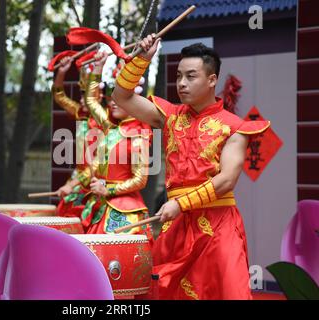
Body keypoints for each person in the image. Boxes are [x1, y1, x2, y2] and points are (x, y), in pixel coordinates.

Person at [112, 35, 270, 300]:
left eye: (191, 76)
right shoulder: (170, 116)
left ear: (212, 80)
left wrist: (181, 204)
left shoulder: (234, 127)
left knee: (228, 292)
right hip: (176, 226)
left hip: (219, 227)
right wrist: (143, 59)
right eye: (178, 76)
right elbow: (121, 96)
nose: (182, 83)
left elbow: (226, 181)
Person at [79, 51, 153, 239]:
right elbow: (91, 101)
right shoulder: (109, 127)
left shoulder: (138, 136)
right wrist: (98, 67)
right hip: (100, 202)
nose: (112, 103)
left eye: (119, 99)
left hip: (123, 210)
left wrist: (109, 189)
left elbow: (140, 180)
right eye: (112, 98)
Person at [52, 56, 101, 218]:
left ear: (99, 96)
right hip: (79, 177)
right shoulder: (81, 114)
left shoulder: (106, 122)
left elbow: (97, 164)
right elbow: (60, 96)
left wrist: (72, 185)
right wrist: (61, 72)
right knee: (65, 209)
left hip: (97, 179)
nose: (82, 99)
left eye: (86, 95)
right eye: (82, 94)